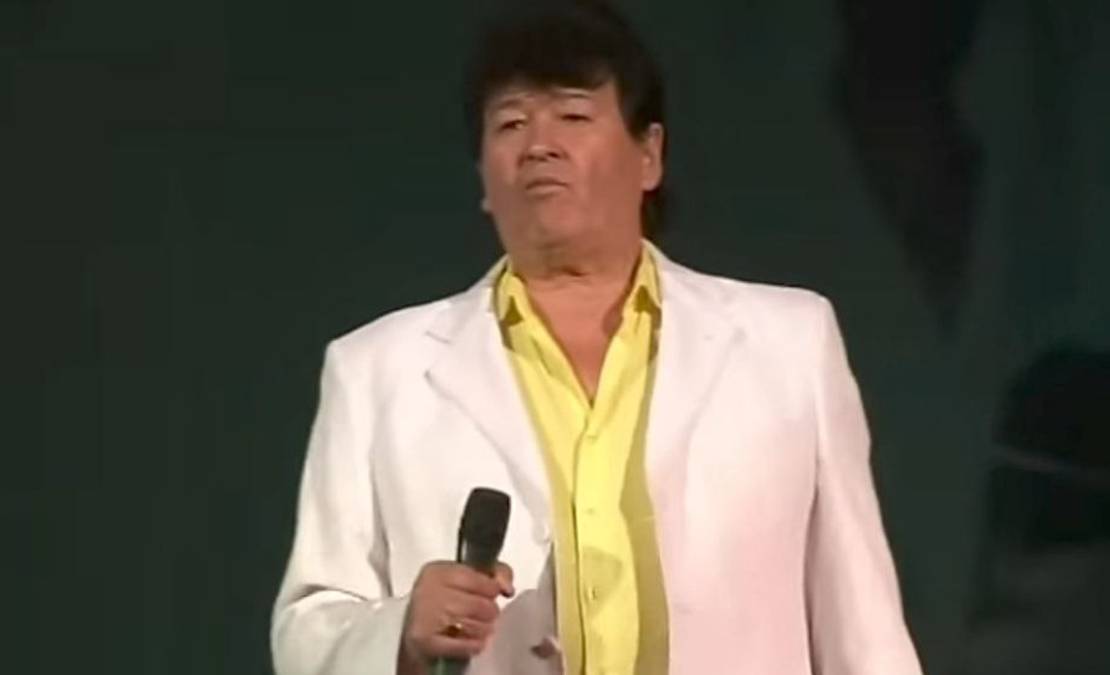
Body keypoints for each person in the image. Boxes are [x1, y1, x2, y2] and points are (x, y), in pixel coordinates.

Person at [270, 2, 922, 674]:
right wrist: (400, 631)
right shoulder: (375, 370)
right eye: (511, 123)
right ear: (484, 180)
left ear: (649, 155)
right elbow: (306, 631)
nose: (539, 144)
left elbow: (864, 627)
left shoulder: (788, 343)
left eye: (573, 116)